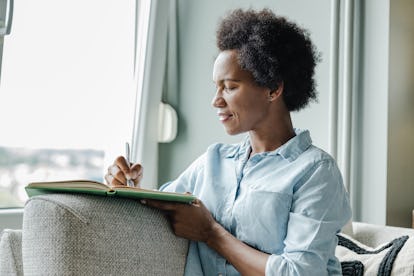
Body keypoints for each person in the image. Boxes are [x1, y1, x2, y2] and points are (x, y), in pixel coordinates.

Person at [105, 8, 352, 276]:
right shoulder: (213, 161)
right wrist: (128, 185)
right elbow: (158, 211)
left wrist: (212, 234)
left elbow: (299, 272)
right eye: (216, 86)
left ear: (273, 89)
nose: (216, 100)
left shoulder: (315, 172)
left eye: (230, 87)